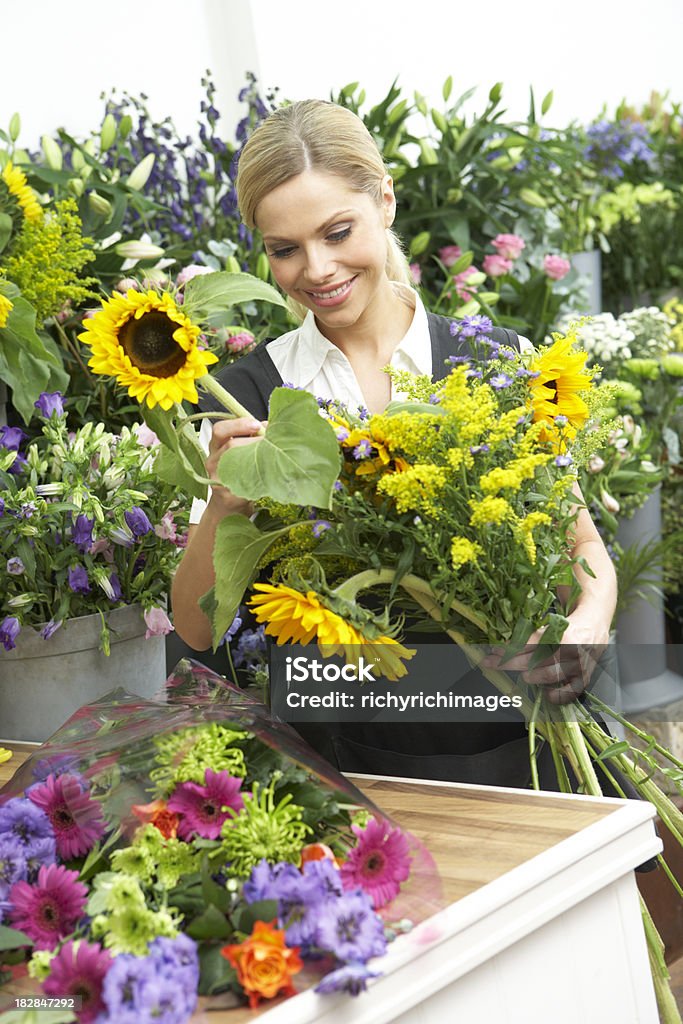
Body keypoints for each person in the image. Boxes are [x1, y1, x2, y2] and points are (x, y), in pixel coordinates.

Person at [171, 99, 618, 789]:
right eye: (284, 249)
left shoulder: (495, 362)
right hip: (349, 764)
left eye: (337, 231)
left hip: (520, 738)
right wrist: (227, 505)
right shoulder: (246, 396)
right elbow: (196, 631)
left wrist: (588, 622)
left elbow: (581, 546)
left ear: (384, 201)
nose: (315, 269)